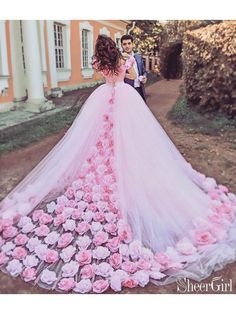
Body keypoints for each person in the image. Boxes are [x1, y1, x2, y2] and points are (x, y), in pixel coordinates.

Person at [0, 34, 236, 294]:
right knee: (132, 138)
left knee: (99, 138)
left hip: (103, 98)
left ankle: (103, 171)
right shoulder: (123, 60)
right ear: (115, 48)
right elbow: (134, 77)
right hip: (126, 98)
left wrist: (110, 74)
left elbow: (102, 74)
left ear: (100, 51)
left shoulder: (98, 63)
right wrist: (131, 74)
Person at [121, 34, 147, 102]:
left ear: (132, 44)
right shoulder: (120, 59)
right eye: (124, 44)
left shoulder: (138, 57)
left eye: (129, 43)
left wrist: (144, 77)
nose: (127, 46)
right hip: (127, 91)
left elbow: (143, 71)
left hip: (140, 89)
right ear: (122, 45)